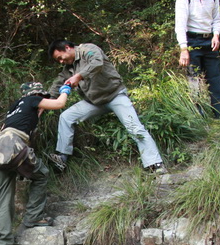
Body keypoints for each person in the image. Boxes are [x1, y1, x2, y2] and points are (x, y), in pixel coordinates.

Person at [46, 40, 166, 173]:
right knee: (66, 117)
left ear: (67, 48)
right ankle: (62, 158)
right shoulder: (69, 68)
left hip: (115, 96)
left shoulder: (88, 50)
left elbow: (97, 62)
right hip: (94, 102)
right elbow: (57, 84)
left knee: (134, 127)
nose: (61, 62)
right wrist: (45, 102)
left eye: (60, 58)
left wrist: (78, 76)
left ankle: (155, 165)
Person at [0, 82, 71, 245]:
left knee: (2, 197)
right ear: (38, 95)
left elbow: (4, 130)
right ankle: (34, 217)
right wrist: (66, 89)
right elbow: (59, 104)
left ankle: (4, 242)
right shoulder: (33, 99)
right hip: (15, 145)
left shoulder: (13, 108)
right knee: (42, 174)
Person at [175, 0, 220, 119]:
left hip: (210, 41)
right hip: (192, 42)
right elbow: (180, 26)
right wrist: (184, 49)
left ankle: (219, 117)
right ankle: (197, 118)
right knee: (193, 81)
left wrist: (216, 35)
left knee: (215, 80)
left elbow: (216, 18)